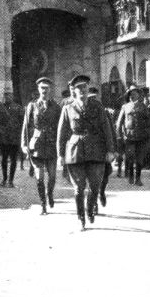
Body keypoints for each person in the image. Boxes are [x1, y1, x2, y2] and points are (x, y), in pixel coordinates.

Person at [57, 74, 115, 230]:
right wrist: (60, 154)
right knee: (78, 188)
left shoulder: (97, 107)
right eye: (79, 88)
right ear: (74, 91)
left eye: (84, 87)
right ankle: (81, 216)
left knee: (95, 186)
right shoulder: (67, 109)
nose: (82, 90)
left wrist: (110, 150)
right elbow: (61, 133)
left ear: (88, 89)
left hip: (96, 151)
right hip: (75, 152)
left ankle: (90, 209)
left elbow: (106, 128)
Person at [22, 77, 62, 214]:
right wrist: (24, 144)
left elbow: (60, 128)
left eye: (46, 88)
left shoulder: (56, 107)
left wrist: (61, 146)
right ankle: (43, 204)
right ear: (38, 89)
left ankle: (49, 193)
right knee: (39, 178)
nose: (44, 90)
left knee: (52, 177)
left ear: (50, 89)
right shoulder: (32, 106)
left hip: (51, 145)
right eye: (42, 88)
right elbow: (26, 127)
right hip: (37, 145)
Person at [116, 85, 150, 185]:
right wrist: (119, 136)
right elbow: (119, 123)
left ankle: (138, 178)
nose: (133, 96)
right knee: (130, 157)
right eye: (131, 94)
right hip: (129, 136)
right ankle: (131, 176)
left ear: (138, 95)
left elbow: (149, 122)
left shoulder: (143, 107)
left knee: (139, 158)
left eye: (135, 94)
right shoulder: (125, 107)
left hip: (141, 136)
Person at [0, 90, 22, 187]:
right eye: (5, 95)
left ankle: (11, 180)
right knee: (4, 159)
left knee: (13, 159)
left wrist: (20, 135)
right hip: (4, 138)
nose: (7, 97)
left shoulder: (18, 107)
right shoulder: (0, 108)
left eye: (9, 95)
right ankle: (4, 179)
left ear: (12, 96)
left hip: (14, 137)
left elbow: (22, 122)